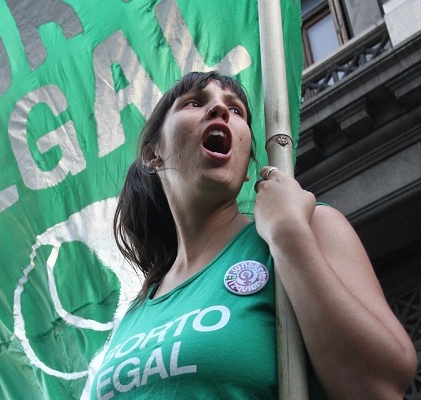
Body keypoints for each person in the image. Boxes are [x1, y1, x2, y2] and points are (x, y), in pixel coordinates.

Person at [90, 71, 416, 399]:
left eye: (236, 110)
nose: (220, 109)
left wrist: (289, 237)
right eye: (194, 102)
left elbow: (379, 386)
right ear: (152, 155)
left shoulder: (309, 226)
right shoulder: (135, 312)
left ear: (246, 165)